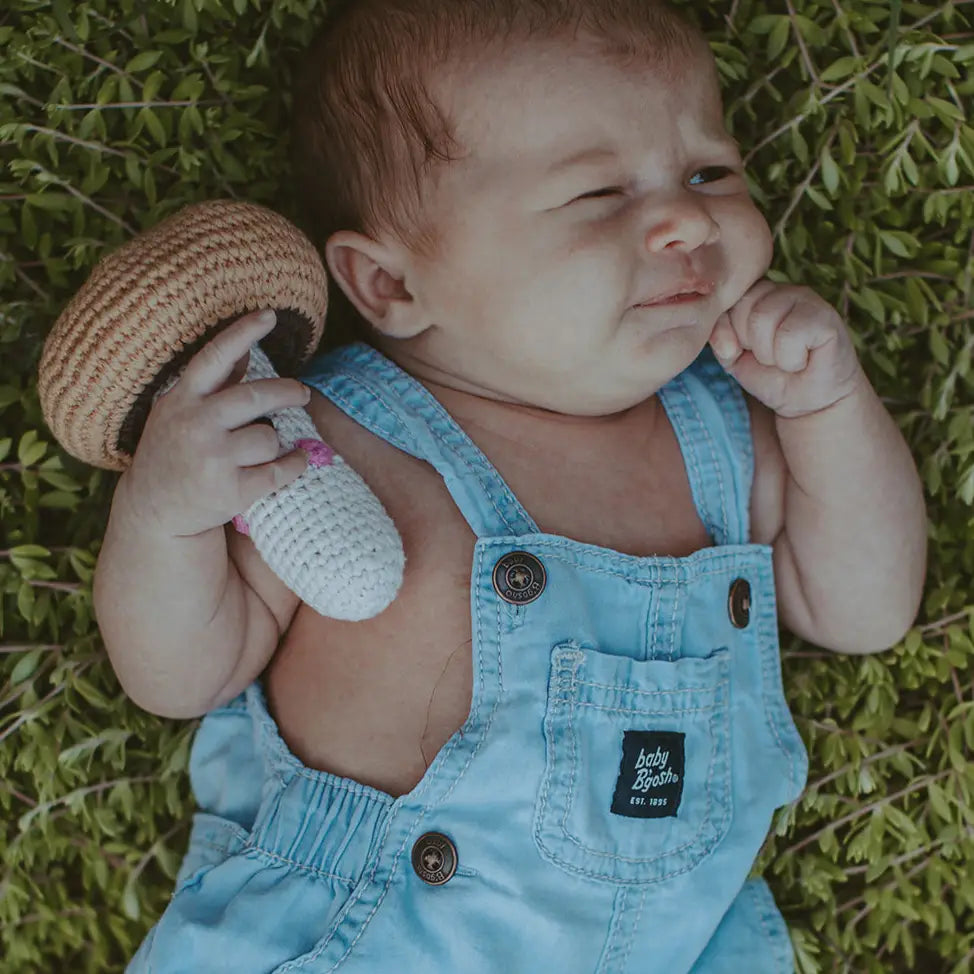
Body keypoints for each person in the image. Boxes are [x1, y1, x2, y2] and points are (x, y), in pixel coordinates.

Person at [93, 1, 928, 971]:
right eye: (597, 195)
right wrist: (166, 515)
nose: (689, 217)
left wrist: (828, 407)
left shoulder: (730, 431)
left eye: (710, 172)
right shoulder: (333, 444)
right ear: (392, 285)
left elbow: (861, 610)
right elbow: (182, 672)